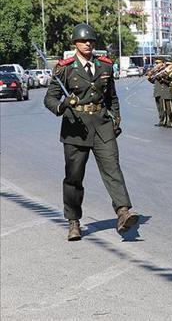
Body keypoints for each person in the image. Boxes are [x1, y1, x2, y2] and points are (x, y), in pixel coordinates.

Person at [43, 23, 139, 241]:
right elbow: (49, 98)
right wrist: (63, 105)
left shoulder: (105, 66)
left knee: (113, 168)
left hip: (102, 125)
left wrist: (116, 118)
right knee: (74, 177)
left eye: (91, 41)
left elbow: (111, 97)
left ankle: (123, 212)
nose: (88, 44)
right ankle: (74, 221)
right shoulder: (64, 68)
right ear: (75, 43)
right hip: (75, 127)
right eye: (83, 41)